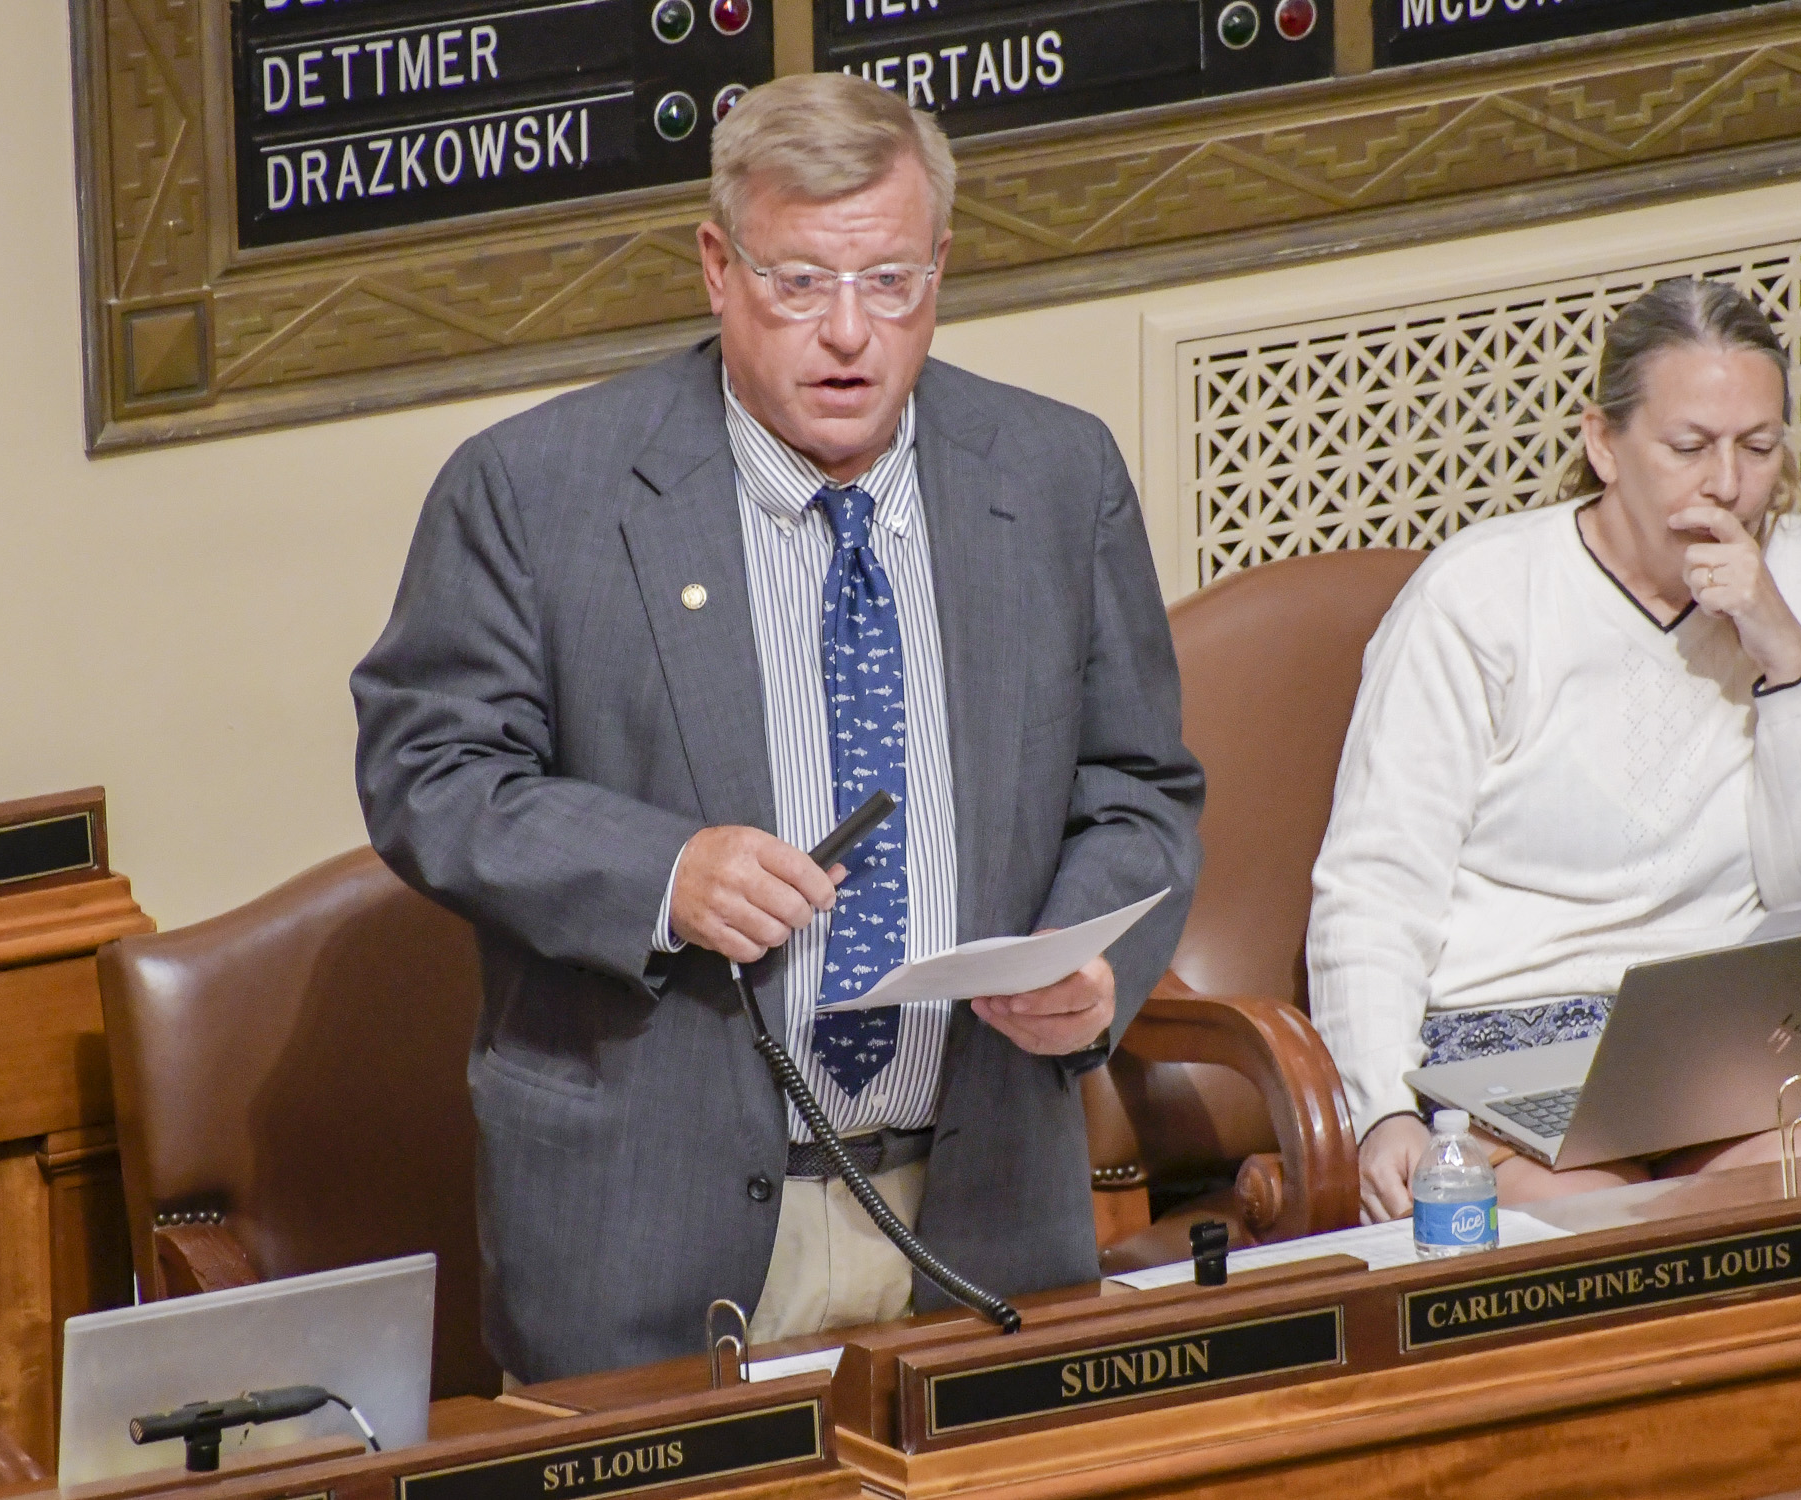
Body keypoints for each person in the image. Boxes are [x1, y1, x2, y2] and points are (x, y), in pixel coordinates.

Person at [351, 72, 1203, 1381]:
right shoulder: (536, 496)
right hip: (655, 1232)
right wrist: (663, 871)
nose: (849, 336)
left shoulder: (1054, 476)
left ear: (942, 269)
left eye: (890, 284)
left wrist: (1091, 972)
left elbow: (1138, 785)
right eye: (800, 284)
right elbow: (431, 774)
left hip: (981, 1211)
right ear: (717, 267)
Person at [1308, 276, 1801, 1223]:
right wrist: (1379, 1112)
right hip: (1507, 1049)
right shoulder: (1479, 599)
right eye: (1689, 448)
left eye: (1758, 447)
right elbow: (1374, 886)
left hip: (1723, 1051)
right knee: (1588, 1234)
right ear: (1602, 444)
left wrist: (1786, 660)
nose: (1727, 484)